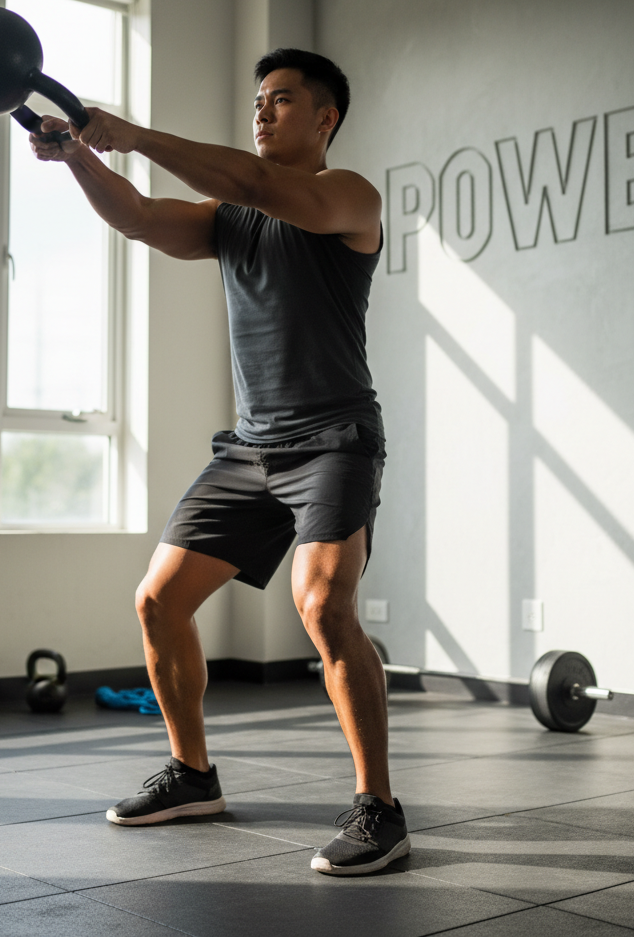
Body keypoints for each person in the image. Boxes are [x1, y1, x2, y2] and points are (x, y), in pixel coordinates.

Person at [29, 48, 409, 876]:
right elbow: (135, 215)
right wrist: (79, 154)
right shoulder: (228, 218)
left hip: (334, 439)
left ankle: (379, 806)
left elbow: (265, 188)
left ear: (325, 119)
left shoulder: (350, 198)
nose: (263, 112)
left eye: (280, 101)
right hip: (250, 448)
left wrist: (128, 129)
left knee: (324, 609)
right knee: (159, 601)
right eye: (257, 103)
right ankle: (193, 775)